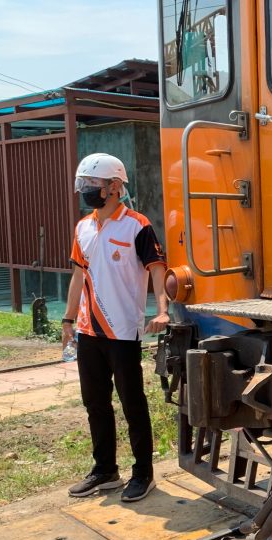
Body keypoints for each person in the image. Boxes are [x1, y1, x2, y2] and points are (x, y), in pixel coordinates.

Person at [61, 152, 169, 502]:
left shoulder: (137, 225)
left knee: (132, 403)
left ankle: (143, 474)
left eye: (92, 184)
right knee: (95, 403)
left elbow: (157, 270)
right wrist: (67, 320)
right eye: (84, 184)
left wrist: (162, 311)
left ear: (114, 186)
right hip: (87, 331)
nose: (87, 190)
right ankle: (105, 470)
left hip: (122, 332)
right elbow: (78, 276)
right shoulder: (83, 227)